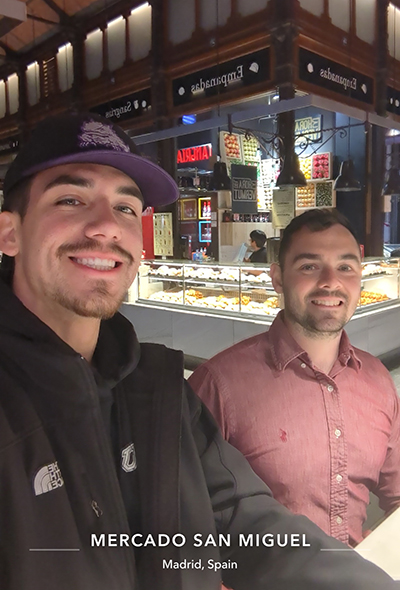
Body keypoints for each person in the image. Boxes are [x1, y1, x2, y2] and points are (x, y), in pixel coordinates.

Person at [0, 114, 398, 590]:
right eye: (70, 199)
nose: (106, 226)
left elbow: (247, 520)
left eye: (126, 208)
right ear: (9, 233)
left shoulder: (160, 388)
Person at [190, 209, 400, 548]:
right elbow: (177, 521)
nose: (331, 281)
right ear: (277, 279)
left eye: (345, 267)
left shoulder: (377, 381)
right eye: (309, 266)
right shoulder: (218, 385)